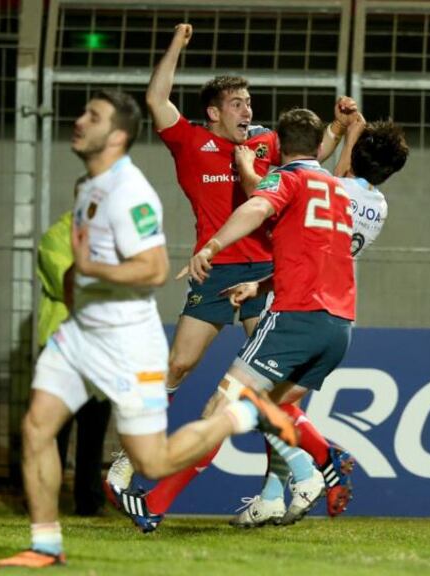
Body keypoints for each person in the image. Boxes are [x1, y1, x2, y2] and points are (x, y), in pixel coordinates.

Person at [0, 89, 295, 568]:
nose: (78, 121)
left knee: (153, 460)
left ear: (114, 136)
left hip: (126, 338)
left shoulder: (130, 192)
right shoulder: (88, 187)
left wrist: (93, 269)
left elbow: (154, 269)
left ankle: (241, 416)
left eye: (91, 116)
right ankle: (46, 544)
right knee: (36, 428)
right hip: (79, 336)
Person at [104, 23, 350, 517]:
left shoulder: (263, 144)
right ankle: (132, 458)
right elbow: (156, 98)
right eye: (237, 102)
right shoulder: (189, 141)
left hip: (263, 271)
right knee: (178, 364)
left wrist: (340, 128)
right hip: (214, 270)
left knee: (264, 389)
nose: (248, 110)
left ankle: (280, 488)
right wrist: (176, 43)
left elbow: (309, 157)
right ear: (214, 111)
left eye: (249, 101)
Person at [227, 115, 409, 527]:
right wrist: (353, 134)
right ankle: (273, 495)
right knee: (280, 408)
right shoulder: (377, 206)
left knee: (258, 404)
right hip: (335, 311)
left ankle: (314, 470)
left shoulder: (328, 186)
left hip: (300, 301)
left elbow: (269, 192)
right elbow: (345, 176)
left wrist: (246, 168)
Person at [38, 208, 113, 517]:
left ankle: (89, 500)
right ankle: (45, 499)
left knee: (94, 428)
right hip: (61, 342)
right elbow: (69, 284)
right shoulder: (57, 236)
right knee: (53, 429)